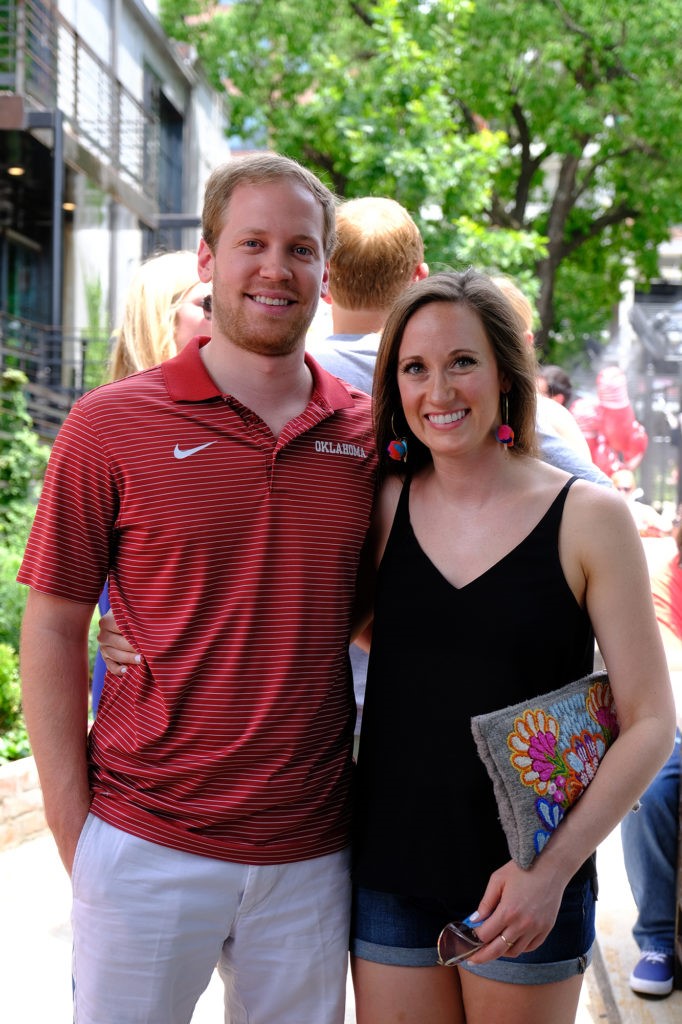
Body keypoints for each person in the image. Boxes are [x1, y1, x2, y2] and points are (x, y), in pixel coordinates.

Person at [18, 152, 377, 1024]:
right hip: (144, 841)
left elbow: (382, 610)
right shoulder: (111, 424)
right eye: (252, 242)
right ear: (208, 260)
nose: (275, 267)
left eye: (300, 247)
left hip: (309, 854)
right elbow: (56, 624)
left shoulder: (368, 435)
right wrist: (77, 830)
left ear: (324, 272)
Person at [348, 270, 674, 1024]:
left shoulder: (588, 516)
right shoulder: (384, 505)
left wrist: (550, 871)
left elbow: (652, 721)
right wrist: (143, 629)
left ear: (504, 372)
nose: (439, 390)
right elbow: (322, 625)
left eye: (462, 361)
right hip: (390, 871)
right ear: (395, 386)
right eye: (414, 367)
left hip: (528, 880)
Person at [306, 196, 428, 744]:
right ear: (419, 280)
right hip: (427, 691)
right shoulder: (453, 382)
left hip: (305, 696)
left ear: (325, 279)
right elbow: (584, 491)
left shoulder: (288, 378)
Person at [91, 251, 213, 713]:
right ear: (163, 317)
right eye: (206, 301)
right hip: (140, 692)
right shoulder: (111, 423)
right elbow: (58, 606)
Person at [621, 524, 682, 997]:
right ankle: (657, 939)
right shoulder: (665, 579)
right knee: (650, 790)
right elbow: (670, 662)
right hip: (677, 721)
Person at [611, 467, 674, 539]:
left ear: (633, 489)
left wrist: (647, 527)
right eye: (618, 488)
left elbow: (667, 527)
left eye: (626, 489)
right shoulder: (605, 510)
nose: (622, 493)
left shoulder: (641, 510)